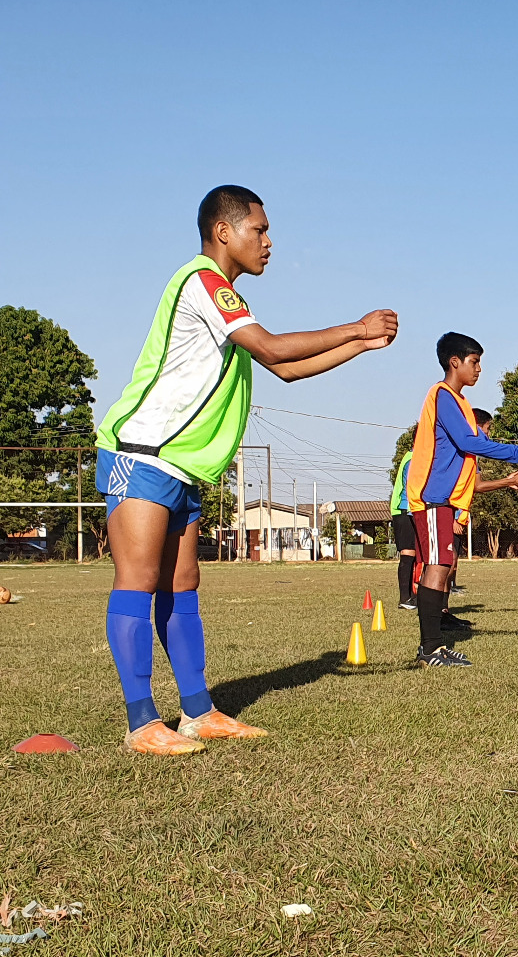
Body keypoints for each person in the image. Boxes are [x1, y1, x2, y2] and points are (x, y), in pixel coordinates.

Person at [96, 184, 399, 755]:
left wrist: (361, 348)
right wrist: (356, 328)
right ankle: (141, 723)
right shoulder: (203, 282)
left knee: (183, 586)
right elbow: (274, 350)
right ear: (223, 232)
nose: (268, 242)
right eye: (258, 230)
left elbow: (284, 370)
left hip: (182, 465)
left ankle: (197, 712)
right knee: (137, 584)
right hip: (142, 453)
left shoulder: (226, 302)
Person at [405, 333, 518, 667]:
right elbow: (469, 443)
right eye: (474, 361)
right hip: (431, 498)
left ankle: (434, 647)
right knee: (437, 568)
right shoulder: (442, 395)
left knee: (441, 568)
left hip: (444, 501)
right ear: (454, 362)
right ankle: (430, 650)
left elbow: (469, 452)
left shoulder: (461, 403)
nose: (479, 369)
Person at [443, 408, 518, 630]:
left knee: (451, 563)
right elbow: (450, 485)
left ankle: (443, 612)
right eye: (488, 428)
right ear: (477, 426)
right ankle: (434, 618)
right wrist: (456, 514)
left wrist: (506, 481)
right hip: (445, 511)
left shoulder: (471, 455)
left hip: (457, 512)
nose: (488, 434)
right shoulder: (463, 446)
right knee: (444, 563)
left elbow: (476, 486)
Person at [390, 441, 417, 609]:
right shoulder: (413, 459)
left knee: (414, 555)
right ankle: (404, 598)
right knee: (408, 553)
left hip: (408, 509)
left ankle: (411, 596)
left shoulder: (413, 457)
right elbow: (410, 488)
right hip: (404, 509)